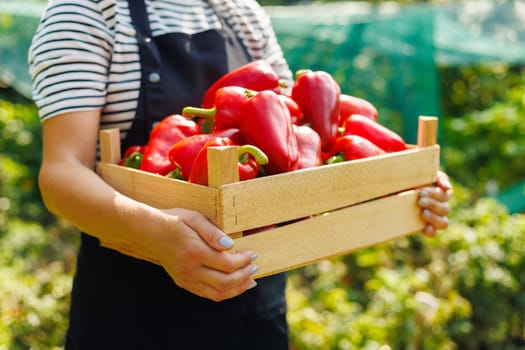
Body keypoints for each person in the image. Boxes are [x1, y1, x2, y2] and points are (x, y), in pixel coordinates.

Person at [28, 0, 452, 348]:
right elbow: (62, 172)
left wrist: (402, 180)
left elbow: (299, 132)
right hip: (134, 314)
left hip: (256, 311)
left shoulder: (238, 9)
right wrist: (157, 233)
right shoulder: (84, 12)